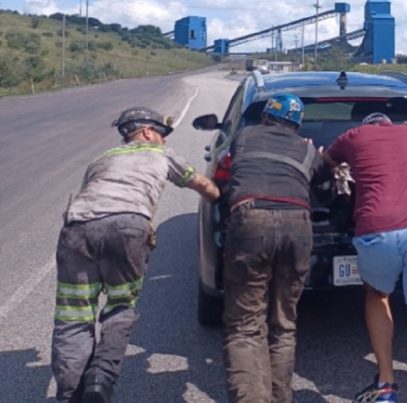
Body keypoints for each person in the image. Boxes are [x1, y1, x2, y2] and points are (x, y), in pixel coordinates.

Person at [52, 106, 220, 403]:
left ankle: (69, 395)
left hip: (77, 231)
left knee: (73, 317)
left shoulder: (101, 158)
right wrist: (220, 197)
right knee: (120, 307)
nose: (164, 140)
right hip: (127, 229)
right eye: (160, 133)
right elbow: (204, 185)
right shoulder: (162, 155)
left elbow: (86, 193)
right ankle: (100, 380)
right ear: (145, 132)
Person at [323, 112, 407, 403]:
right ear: (390, 125)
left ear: (366, 127)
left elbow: (329, 162)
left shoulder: (353, 136)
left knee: (378, 293)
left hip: (377, 229)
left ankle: (386, 384)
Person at [221, 93, 325, 402]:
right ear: (297, 124)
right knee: (284, 323)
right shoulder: (307, 151)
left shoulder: (244, 135)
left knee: (245, 324)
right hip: (299, 224)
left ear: (265, 116)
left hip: (250, 219)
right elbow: (323, 183)